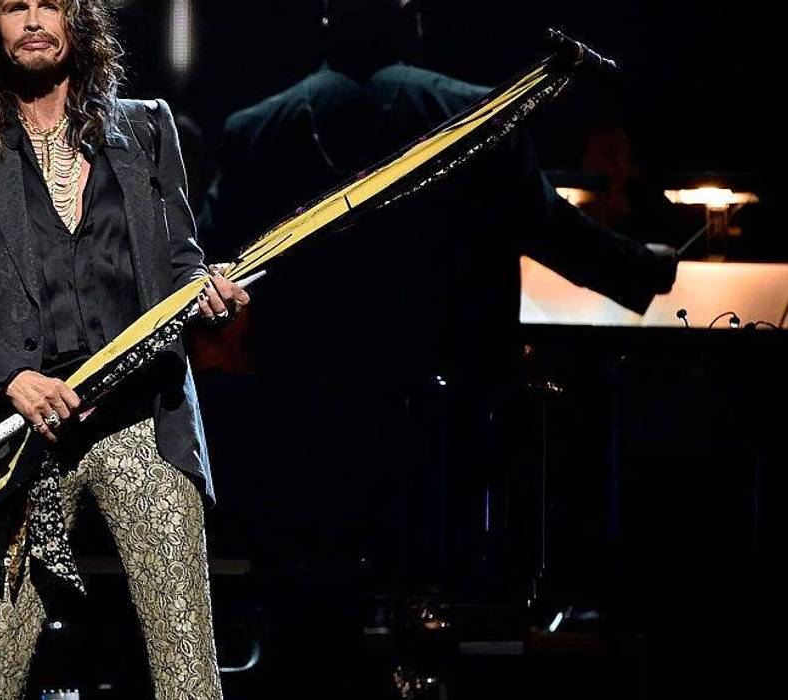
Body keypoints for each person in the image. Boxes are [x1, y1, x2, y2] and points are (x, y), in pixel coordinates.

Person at [197, 0, 678, 596]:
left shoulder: (255, 130)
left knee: (315, 593)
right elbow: (551, 230)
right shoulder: (476, 114)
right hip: (447, 418)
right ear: (409, 21)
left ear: (327, 22)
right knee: (442, 587)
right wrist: (649, 268)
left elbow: (204, 260)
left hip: (307, 423)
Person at [0, 1, 248, 697]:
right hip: (23, 437)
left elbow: (181, 264)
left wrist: (206, 292)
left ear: (78, 20)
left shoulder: (146, 126)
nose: (34, 20)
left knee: (187, 668)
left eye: (51, 4)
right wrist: (12, 377)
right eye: (16, 6)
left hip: (141, 423)